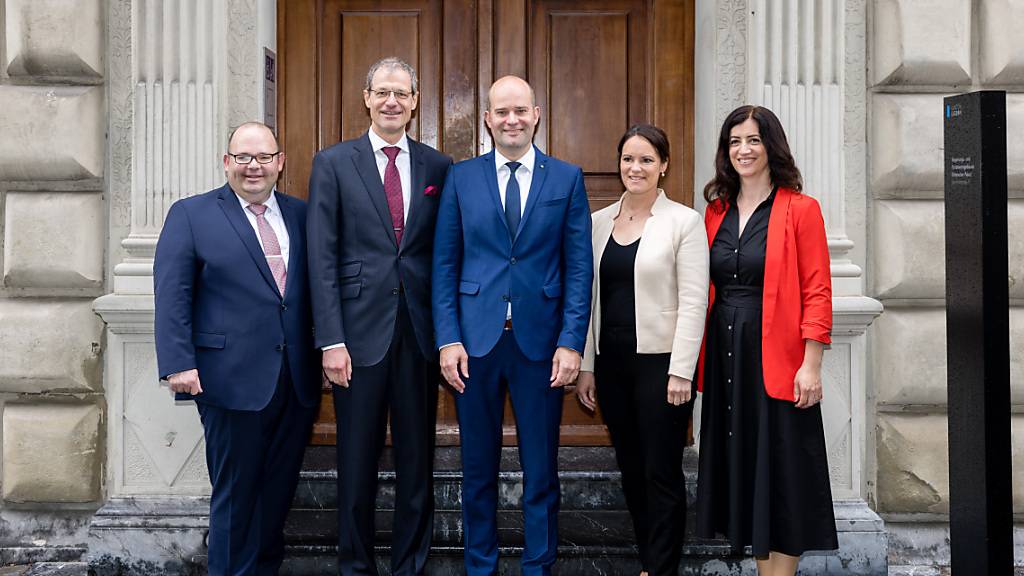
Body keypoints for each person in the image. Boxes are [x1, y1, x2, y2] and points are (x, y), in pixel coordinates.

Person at [432, 75, 593, 576]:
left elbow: (578, 267)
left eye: (520, 110)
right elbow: (445, 264)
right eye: (502, 111)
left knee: (540, 470)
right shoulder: (462, 177)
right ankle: (480, 567)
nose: (511, 120)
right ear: (487, 118)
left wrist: (571, 342)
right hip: (474, 346)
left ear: (536, 114)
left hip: (540, 347)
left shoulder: (565, 178)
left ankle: (537, 567)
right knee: (477, 468)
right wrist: (448, 339)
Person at [306, 57, 452, 576]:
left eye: (403, 94)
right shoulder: (333, 163)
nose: (392, 102)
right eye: (383, 92)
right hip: (356, 338)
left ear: (415, 103)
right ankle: (356, 566)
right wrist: (330, 339)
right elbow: (321, 257)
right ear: (366, 97)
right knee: (356, 463)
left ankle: (410, 564)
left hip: (418, 333)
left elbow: (442, 252)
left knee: (418, 462)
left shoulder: (438, 166)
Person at [154, 121, 320, 576]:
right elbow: (171, 294)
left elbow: (314, 291)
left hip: (295, 381)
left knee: (277, 494)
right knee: (236, 494)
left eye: (264, 157)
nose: (254, 167)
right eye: (244, 157)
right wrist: (177, 364)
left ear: (280, 163)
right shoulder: (192, 214)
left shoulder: (303, 215)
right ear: (226, 162)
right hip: (227, 380)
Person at [695, 105, 837, 576]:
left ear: (771, 146)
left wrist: (811, 363)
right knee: (748, 472)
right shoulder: (714, 213)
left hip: (779, 359)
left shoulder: (801, 209)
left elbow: (818, 289)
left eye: (753, 140)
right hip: (726, 362)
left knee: (783, 475)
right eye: (734, 141)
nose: (743, 150)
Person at [575, 123, 709, 576]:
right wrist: (588, 367)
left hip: (661, 369)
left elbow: (694, 301)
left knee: (661, 473)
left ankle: (661, 567)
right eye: (629, 159)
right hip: (611, 367)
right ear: (619, 164)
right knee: (631, 470)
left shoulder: (684, 222)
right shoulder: (597, 223)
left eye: (647, 160)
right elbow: (589, 302)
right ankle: (647, 559)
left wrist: (682, 371)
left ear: (663, 166)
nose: (636, 168)